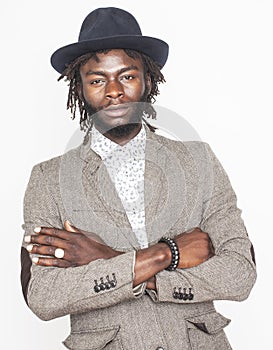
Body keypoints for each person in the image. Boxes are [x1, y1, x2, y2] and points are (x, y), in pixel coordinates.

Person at [20, 7, 256, 350]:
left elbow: (239, 274)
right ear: (80, 88)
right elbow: (43, 295)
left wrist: (107, 258)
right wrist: (166, 254)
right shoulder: (47, 179)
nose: (113, 91)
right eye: (97, 80)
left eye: (127, 76)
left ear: (148, 80)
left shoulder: (197, 161)